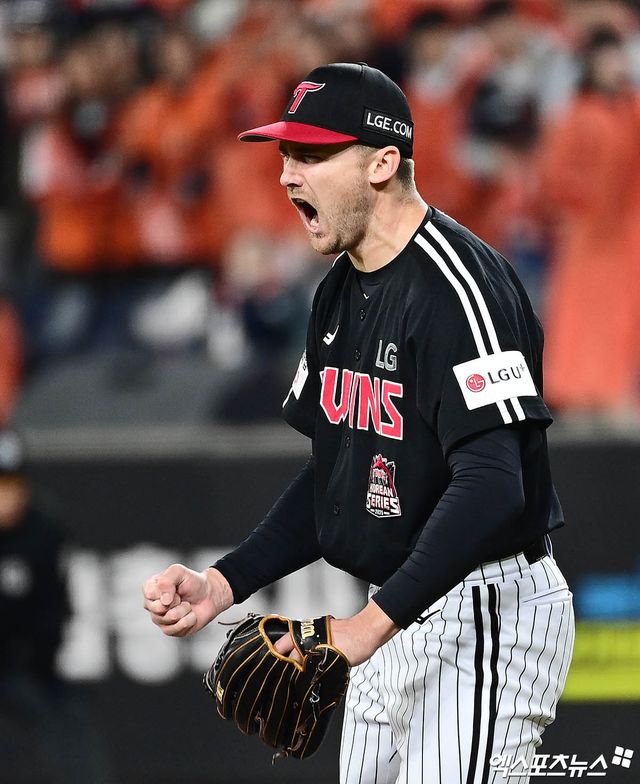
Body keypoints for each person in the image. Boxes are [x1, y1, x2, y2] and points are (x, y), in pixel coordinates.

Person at [143, 63, 575, 784]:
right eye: (286, 153)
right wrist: (227, 582)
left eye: (311, 155)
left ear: (381, 163)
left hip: (481, 609)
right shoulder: (339, 289)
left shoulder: (458, 286)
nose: (287, 175)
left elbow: (495, 484)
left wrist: (366, 630)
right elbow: (338, 472)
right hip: (397, 604)